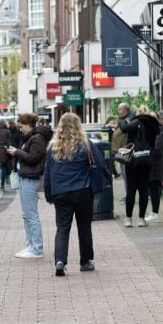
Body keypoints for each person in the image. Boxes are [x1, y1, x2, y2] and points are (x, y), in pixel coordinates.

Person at [44, 112, 109, 275]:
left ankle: (60, 261)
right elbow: (101, 164)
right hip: (83, 191)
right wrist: (107, 180)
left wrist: (48, 194)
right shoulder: (85, 144)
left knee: (62, 228)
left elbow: (47, 173)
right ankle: (85, 262)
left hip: (60, 193)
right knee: (84, 227)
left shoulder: (53, 147)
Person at [9, 112, 54, 260]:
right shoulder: (32, 138)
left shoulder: (37, 139)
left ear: (28, 125)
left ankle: (36, 248)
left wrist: (17, 152)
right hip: (26, 177)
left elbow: (34, 158)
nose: (20, 129)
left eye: (21, 126)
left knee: (31, 214)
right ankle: (31, 245)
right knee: (26, 214)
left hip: (31, 177)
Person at [119, 105, 162, 227]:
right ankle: (141, 219)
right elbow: (157, 132)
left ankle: (128, 219)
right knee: (143, 190)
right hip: (146, 161)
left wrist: (125, 120)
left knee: (131, 190)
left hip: (133, 161)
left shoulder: (135, 122)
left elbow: (124, 128)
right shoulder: (152, 124)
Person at [147, 112, 163, 221]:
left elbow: (157, 149)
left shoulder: (158, 132)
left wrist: (147, 154)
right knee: (152, 189)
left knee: (154, 189)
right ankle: (153, 212)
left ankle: (155, 214)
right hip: (151, 166)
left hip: (155, 167)